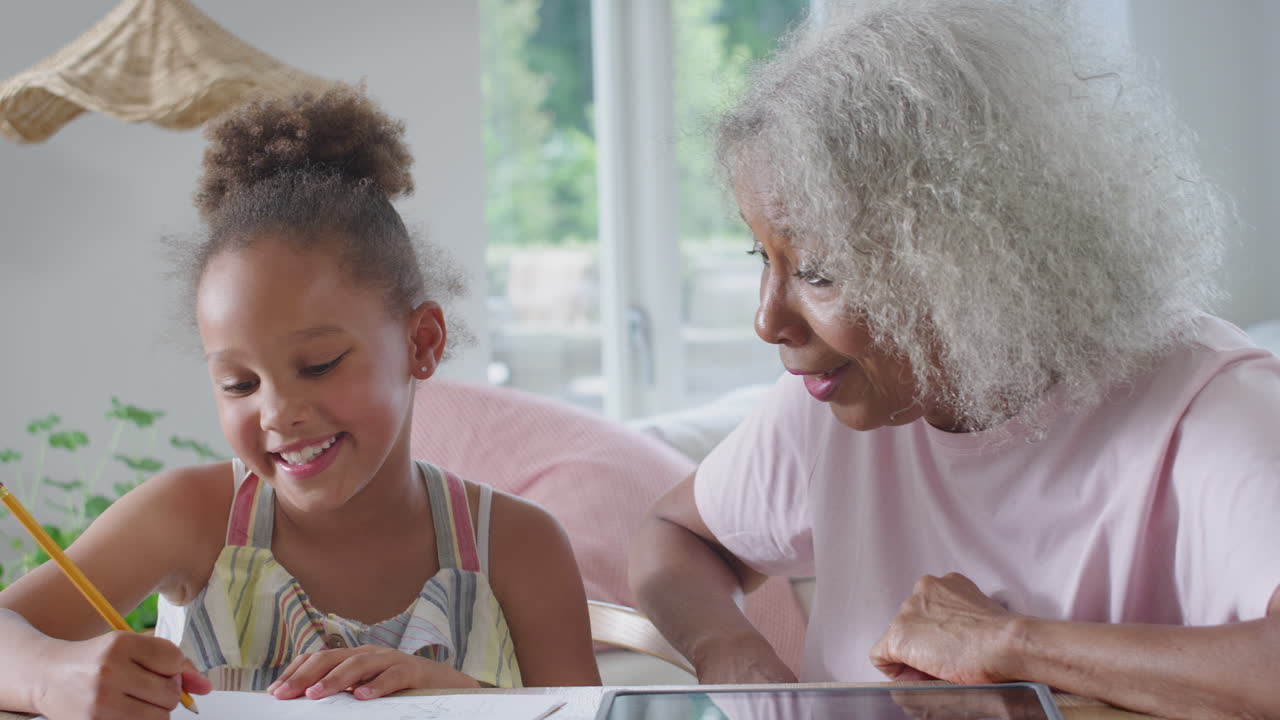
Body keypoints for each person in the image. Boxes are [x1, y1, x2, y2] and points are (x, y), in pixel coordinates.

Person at [629, 1, 1280, 718]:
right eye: (764, 258)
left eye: (817, 271)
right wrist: (735, 657)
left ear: (963, 255)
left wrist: (1012, 646)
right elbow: (675, 537)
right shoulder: (830, 406)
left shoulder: (1212, 407)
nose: (767, 321)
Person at [0, 84, 600, 720]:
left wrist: (465, 705)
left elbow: (591, 713)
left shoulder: (518, 546)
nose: (277, 412)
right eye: (238, 383)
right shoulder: (189, 516)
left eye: (318, 365)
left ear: (421, 343)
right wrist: (47, 678)